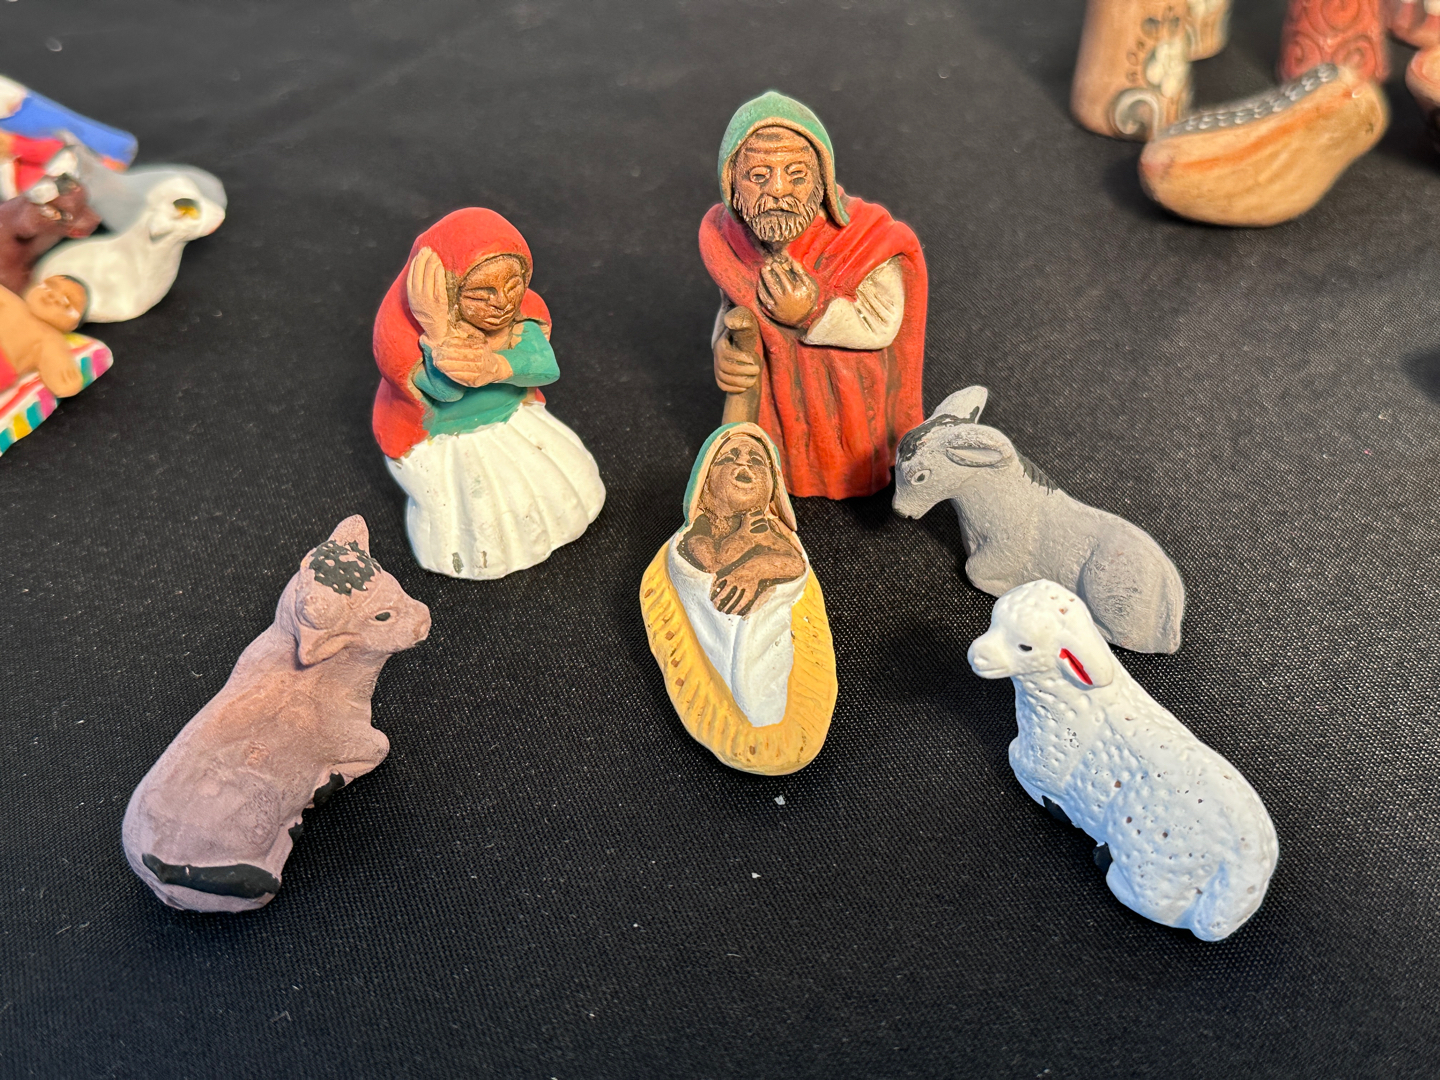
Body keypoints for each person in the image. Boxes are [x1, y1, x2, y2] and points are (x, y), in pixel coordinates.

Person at [700, 91, 928, 500]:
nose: (778, 190)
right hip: (778, 409)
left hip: (851, 410)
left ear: (822, 179)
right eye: (758, 176)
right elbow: (730, 304)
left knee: (848, 456)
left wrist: (810, 314)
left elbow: (882, 325)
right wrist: (723, 347)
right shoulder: (729, 240)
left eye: (797, 174)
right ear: (731, 185)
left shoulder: (869, 240)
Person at [372, 208, 604, 579]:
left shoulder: (521, 318)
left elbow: (546, 367)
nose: (502, 303)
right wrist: (438, 332)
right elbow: (445, 395)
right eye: (481, 295)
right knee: (482, 512)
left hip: (512, 418)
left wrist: (495, 367)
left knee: (559, 480)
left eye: (514, 287)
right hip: (448, 440)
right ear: (448, 294)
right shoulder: (417, 339)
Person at [639, 423, 837, 776]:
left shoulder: (773, 530)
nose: (744, 465)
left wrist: (757, 567)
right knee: (735, 679)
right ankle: (740, 716)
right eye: (729, 458)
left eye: (756, 461)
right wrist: (746, 539)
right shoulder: (701, 530)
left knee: (764, 686)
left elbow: (793, 563)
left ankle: (767, 721)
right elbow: (709, 562)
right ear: (705, 481)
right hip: (719, 627)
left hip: (769, 633)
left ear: (773, 485)